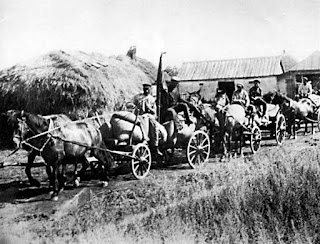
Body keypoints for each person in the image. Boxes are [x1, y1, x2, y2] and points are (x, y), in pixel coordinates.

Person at [133, 83, 162, 156]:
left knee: (154, 126)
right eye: (144, 89)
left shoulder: (151, 99)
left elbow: (154, 111)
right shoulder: (139, 97)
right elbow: (133, 104)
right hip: (138, 115)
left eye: (147, 89)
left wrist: (148, 108)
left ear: (150, 90)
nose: (146, 90)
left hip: (148, 115)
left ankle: (154, 144)